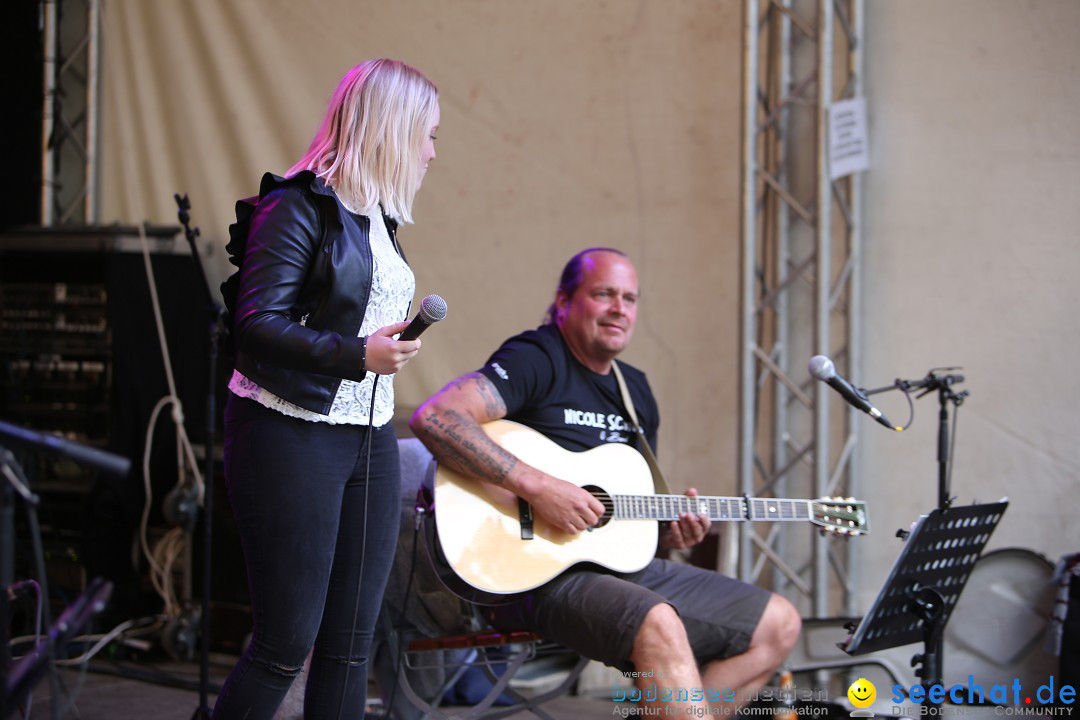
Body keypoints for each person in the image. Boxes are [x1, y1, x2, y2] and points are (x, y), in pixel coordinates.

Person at [409, 247, 801, 715]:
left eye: (630, 299)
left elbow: (629, 515)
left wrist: (672, 531)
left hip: (614, 570)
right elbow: (436, 417)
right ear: (564, 301)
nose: (620, 309)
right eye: (604, 294)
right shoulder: (539, 357)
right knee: (659, 621)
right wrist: (539, 488)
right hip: (530, 574)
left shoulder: (634, 390)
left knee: (779, 623)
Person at [212, 59, 440, 720]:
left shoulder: (379, 217)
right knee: (285, 643)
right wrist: (356, 352)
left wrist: (375, 337)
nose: (430, 152)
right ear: (392, 129)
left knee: (349, 647)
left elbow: (346, 306)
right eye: (427, 134)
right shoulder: (296, 203)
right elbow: (255, 323)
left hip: (368, 438)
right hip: (287, 432)